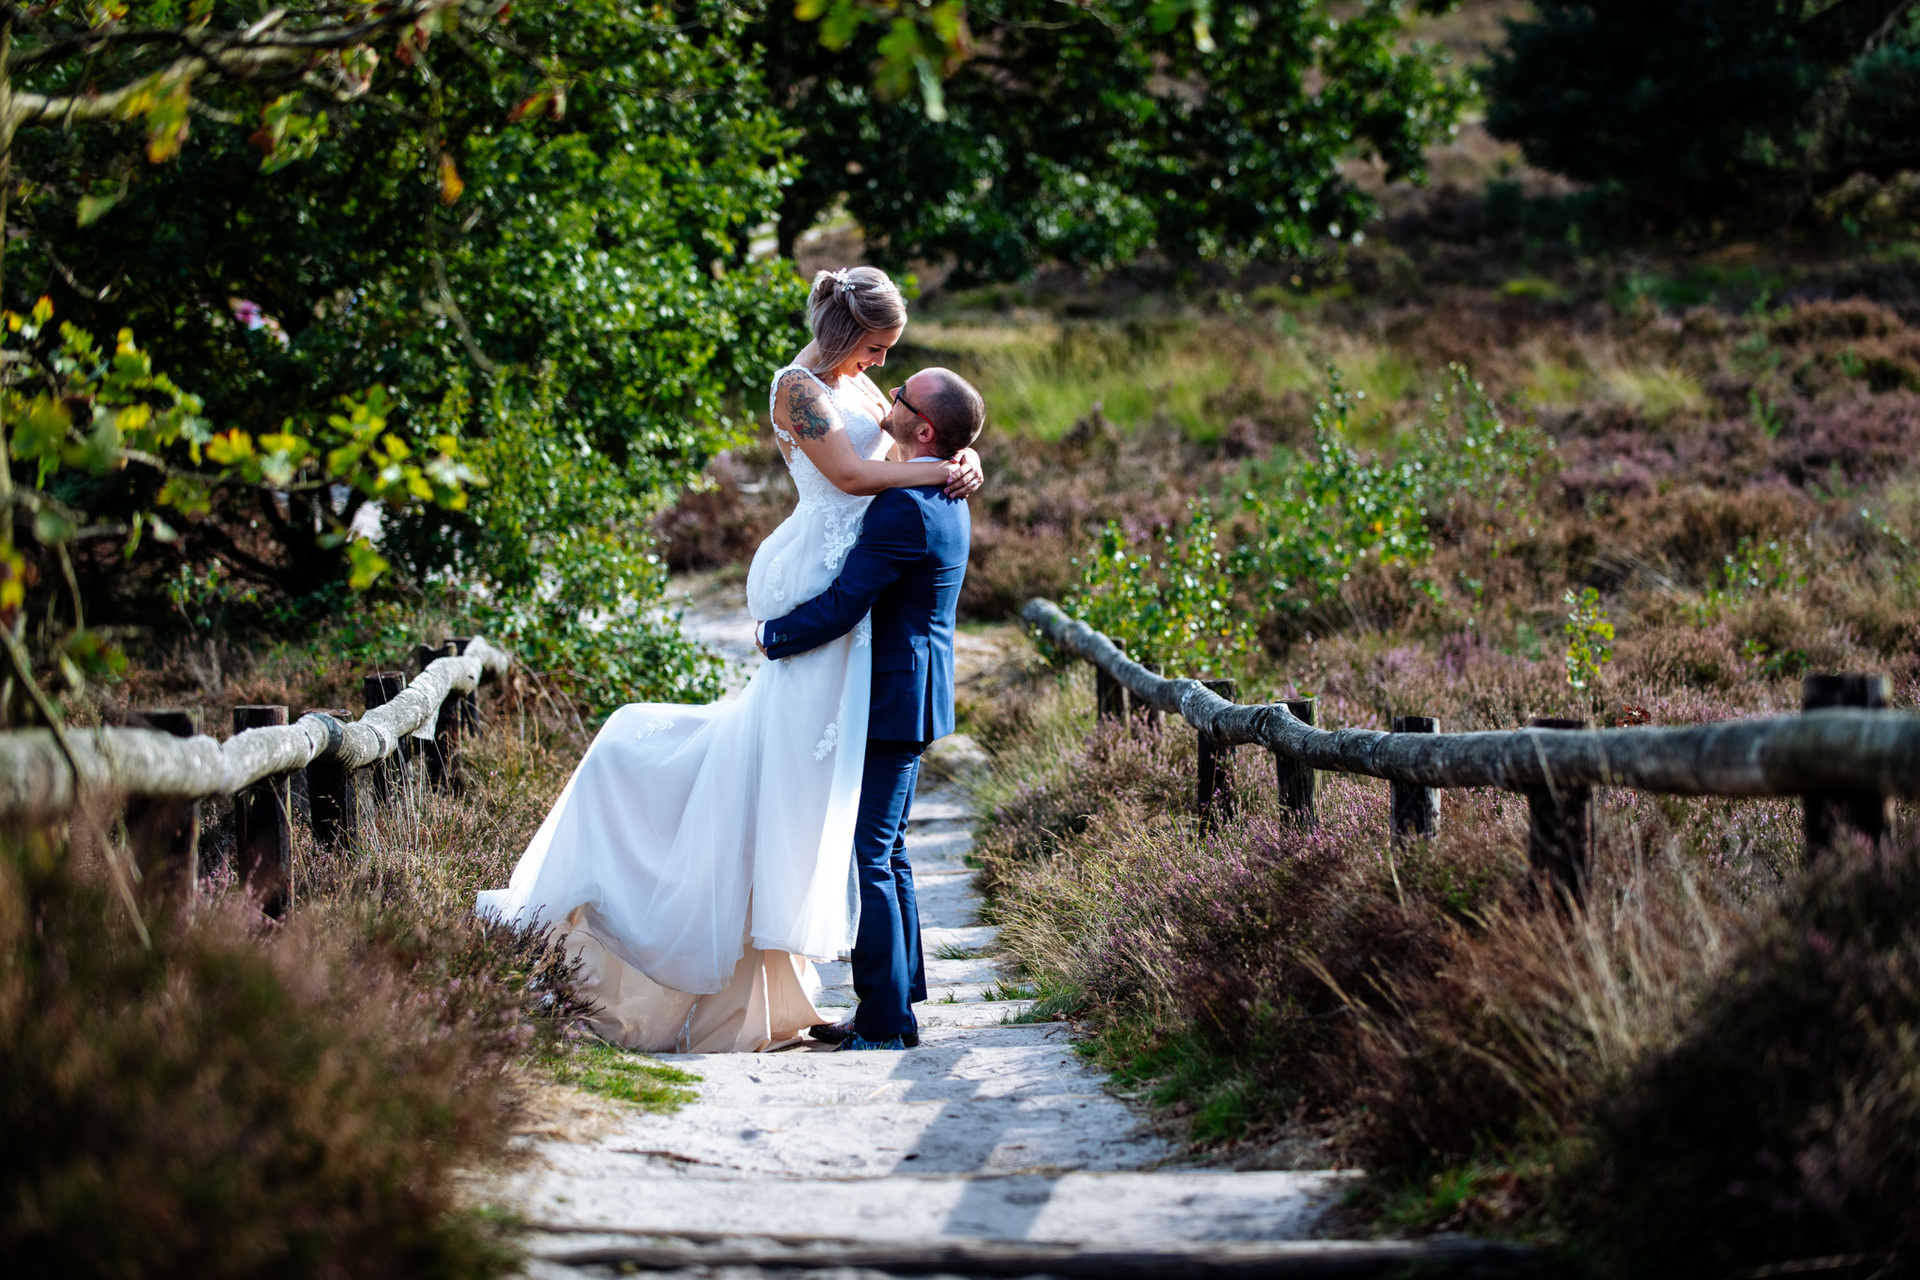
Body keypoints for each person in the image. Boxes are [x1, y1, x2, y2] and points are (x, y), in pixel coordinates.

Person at [476, 265, 983, 1053]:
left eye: (892, 358)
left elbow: (910, 442)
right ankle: (879, 1004)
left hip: (859, 618)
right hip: (827, 586)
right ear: (850, 336)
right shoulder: (802, 390)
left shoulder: (874, 412)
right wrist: (941, 466)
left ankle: (888, 1011)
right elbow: (851, 475)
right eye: (878, 348)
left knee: (865, 839)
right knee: (854, 828)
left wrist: (960, 459)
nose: (882, 369)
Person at [756, 361, 983, 1052]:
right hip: (915, 690)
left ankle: (885, 1022)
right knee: (893, 850)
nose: (888, 395)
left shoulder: (904, 503)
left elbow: (847, 601)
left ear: (921, 426)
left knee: (874, 855)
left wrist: (775, 635)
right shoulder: (946, 491)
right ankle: (899, 998)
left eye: (902, 395)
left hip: (890, 695)